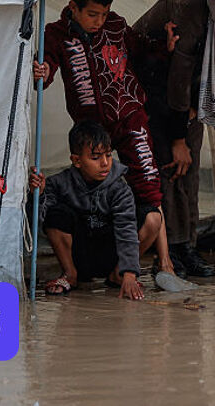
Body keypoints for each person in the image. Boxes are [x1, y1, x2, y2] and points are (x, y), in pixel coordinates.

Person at [32, 0, 177, 277]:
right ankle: (84, 265)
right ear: (73, 7)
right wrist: (43, 71)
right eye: (92, 14)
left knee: (149, 183)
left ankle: (165, 263)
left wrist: (165, 47)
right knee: (91, 190)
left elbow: (143, 50)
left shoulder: (116, 25)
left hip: (130, 115)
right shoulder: (56, 33)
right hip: (90, 125)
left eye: (104, 14)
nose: (99, 21)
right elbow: (46, 67)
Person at [132, 0, 215, 278]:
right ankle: (165, 252)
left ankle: (186, 247)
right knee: (168, 167)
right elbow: (179, 74)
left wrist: (195, 110)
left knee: (187, 171)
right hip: (151, 92)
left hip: (186, 99)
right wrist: (179, 137)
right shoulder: (188, 10)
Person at [28, 121, 157, 300]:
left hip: (111, 253)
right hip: (79, 254)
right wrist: (39, 194)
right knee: (56, 214)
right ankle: (70, 275)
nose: (105, 163)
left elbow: (126, 228)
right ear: (76, 160)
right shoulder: (59, 183)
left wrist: (129, 273)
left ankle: (118, 275)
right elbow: (40, 222)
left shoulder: (119, 189)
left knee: (153, 217)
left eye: (108, 155)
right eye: (95, 157)